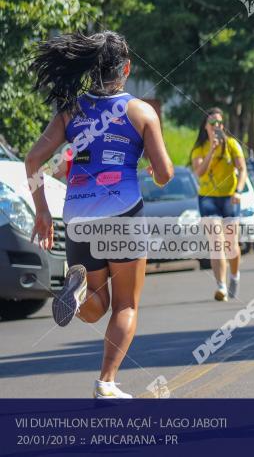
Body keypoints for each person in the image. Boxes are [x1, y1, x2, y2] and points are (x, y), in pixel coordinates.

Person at [26, 31, 173, 399]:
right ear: (125, 69)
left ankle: (74, 297)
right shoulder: (140, 111)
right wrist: (150, 169)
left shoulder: (71, 110)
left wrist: (42, 212)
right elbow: (166, 172)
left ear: (93, 68)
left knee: (95, 305)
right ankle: (106, 381)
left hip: (78, 216)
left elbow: (32, 162)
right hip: (122, 212)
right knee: (125, 305)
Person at [190, 108, 247, 302]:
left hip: (230, 197)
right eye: (212, 123)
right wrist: (212, 150)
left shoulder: (232, 144)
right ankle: (221, 286)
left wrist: (239, 190)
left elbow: (242, 169)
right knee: (216, 242)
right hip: (208, 198)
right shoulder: (200, 148)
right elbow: (200, 172)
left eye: (219, 123)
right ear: (205, 127)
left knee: (231, 244)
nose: (216, 126)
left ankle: (234, 276)